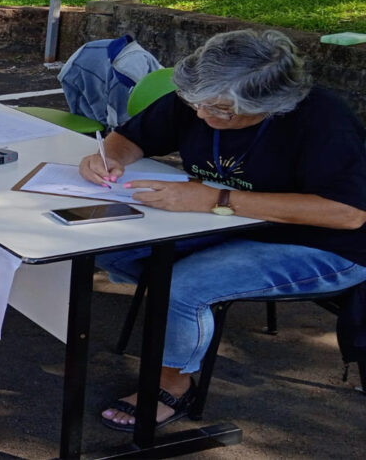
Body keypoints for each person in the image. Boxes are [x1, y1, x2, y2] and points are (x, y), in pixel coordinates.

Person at [76, 29, 366, 432]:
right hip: (227, 217)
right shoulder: (204, 96)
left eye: (220, 112)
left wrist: (217, 199)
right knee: (111, 248)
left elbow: (348, 214)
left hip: (322, 242)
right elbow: (131, 137)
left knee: (183, 286)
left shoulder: (324, 121)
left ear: (272, 106)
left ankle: (174, 384)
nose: (202, 116)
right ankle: (178, 325)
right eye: (197, 104)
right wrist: (107, 158)